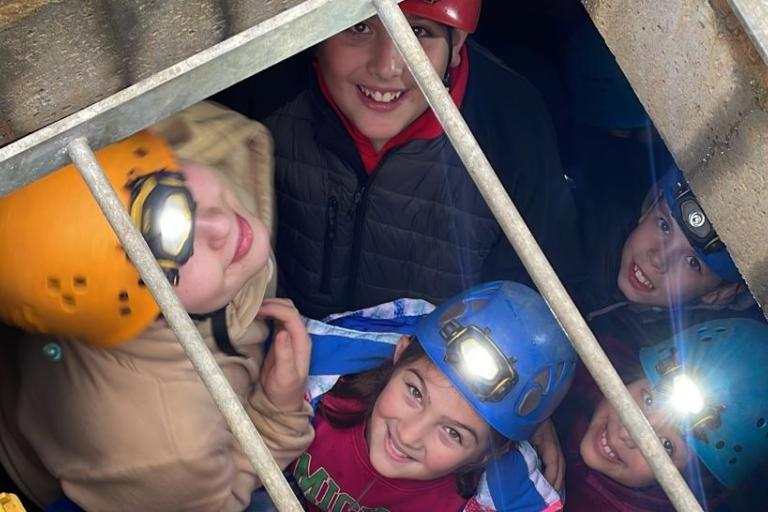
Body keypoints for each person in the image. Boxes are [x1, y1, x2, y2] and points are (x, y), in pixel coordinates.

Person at [0, 102, 314, 512]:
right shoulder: (165, 450)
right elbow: (220, 503)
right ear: (139, 310)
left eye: (171, 192)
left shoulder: (192, 149)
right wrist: (276, 413)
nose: (220, 227)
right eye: (169, 271)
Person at [260, 0, 581, 320]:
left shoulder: (511, 125)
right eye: (359, 26)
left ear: (456, 44)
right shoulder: (265, 89)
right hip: (278, 349)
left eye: (418, 31)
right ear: (317, 35)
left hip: (428, 363)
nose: (387, 67)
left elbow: (534, 304)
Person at [285, 281, 577, 511]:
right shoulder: (324, 373)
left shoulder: (503, 491)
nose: (409, 436)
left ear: (490, 453)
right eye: (415, 393)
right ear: (399, 355)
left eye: (453, 433)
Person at [560, 316, 768, 511]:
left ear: (689, 480)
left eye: (666, 445)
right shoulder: (573, 378)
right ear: (632, 377)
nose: (627, 434)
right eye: (648, 399)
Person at [580, 165, 759, 349]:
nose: (659, 259)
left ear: (719, 294)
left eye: (693, 262)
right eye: (664, 225)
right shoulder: (583, 219)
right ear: (649, 207)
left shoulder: (698, 352)